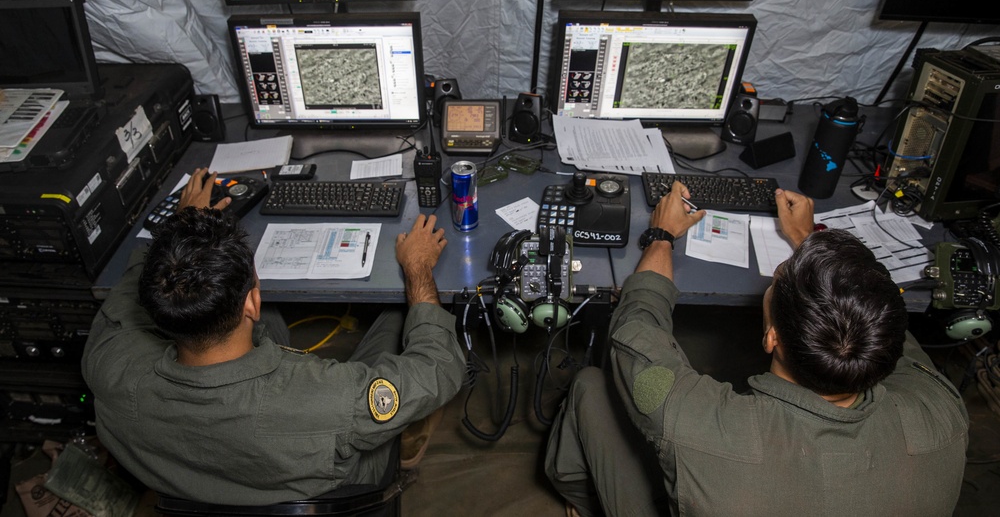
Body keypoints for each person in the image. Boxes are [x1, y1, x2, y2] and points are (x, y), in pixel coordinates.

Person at [545, 183, 969, 516]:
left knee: (590, 386)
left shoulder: (699, 423)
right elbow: (875, 321)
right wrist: (808, 240)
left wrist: (661, 236)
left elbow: (636, 328)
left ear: (771, 337)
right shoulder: (941, 413)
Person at [82, 168, 466, 505]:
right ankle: (408, 454)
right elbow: (438, 367)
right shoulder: (333, 398)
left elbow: (126, 299)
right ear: (252, 301)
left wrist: (181, 232)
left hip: (195, 488)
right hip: (332, 488)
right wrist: (417, 269)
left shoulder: (107, 365)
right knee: (404, 315)